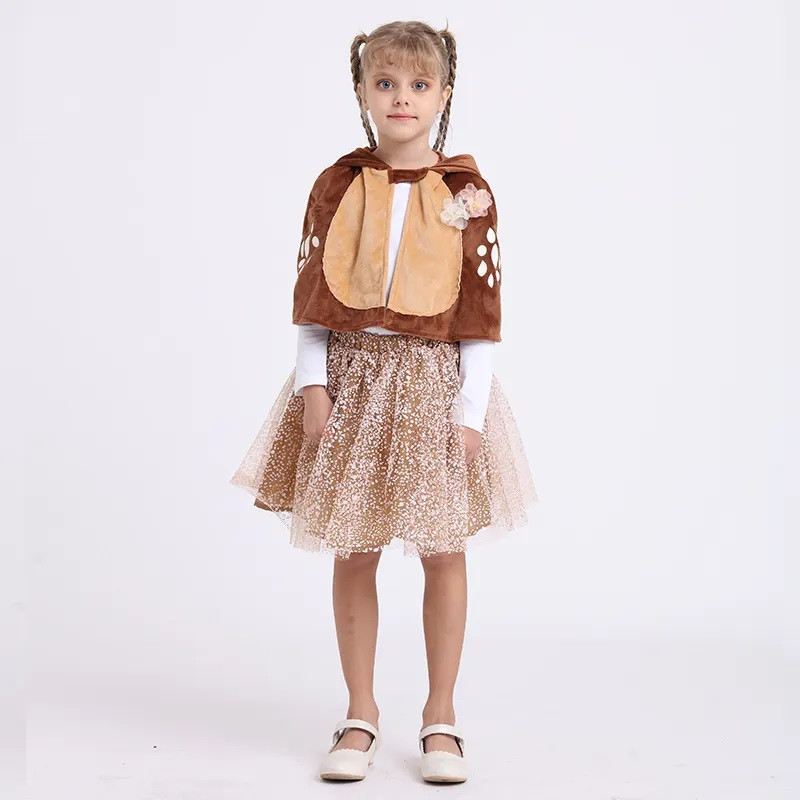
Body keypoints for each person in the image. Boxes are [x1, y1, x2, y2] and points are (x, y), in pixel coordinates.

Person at [229, 19, 538, 784]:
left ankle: (441, 717)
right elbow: (312, 300)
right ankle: (359, 712)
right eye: (387, 83)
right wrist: (314, 386)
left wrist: (470, 414)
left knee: (442, 548)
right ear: (364, 92)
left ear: (443, 94)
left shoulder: (466, 193)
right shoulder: (338, 186)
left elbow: (481, 315)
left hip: (434, 387)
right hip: (354, 384)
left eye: (419, 84)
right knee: (355, 545)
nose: (403, 98)